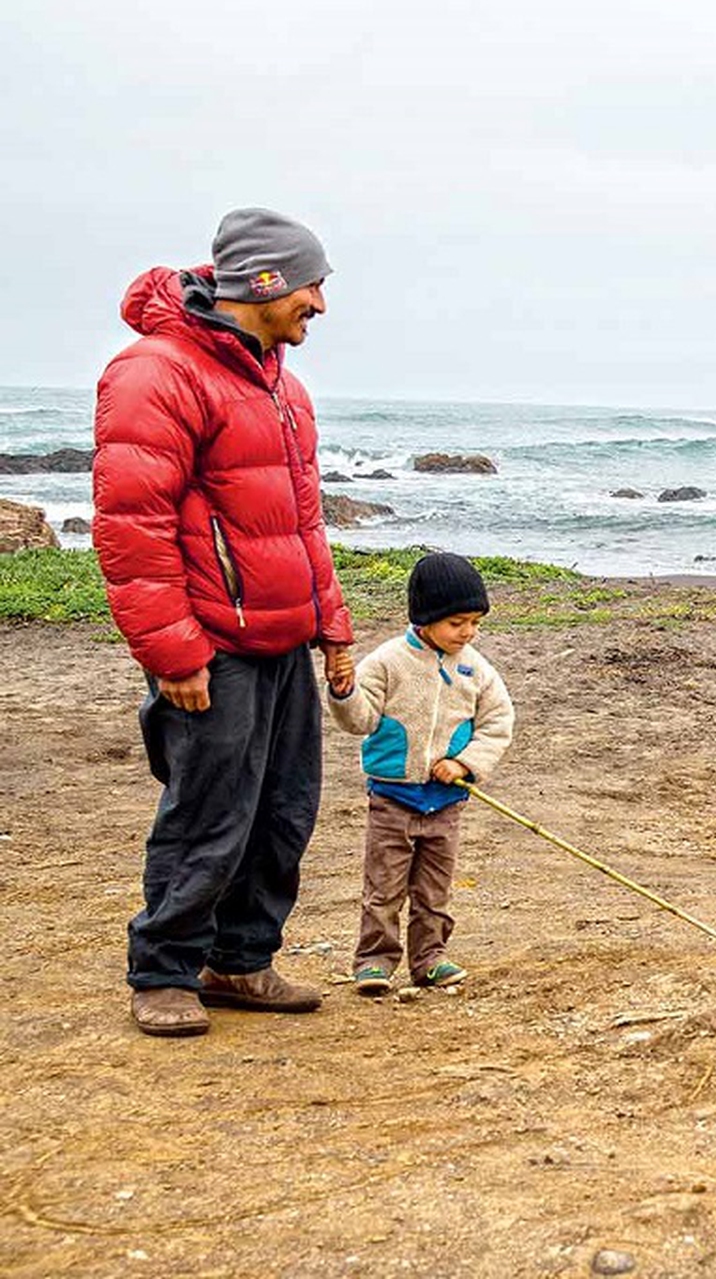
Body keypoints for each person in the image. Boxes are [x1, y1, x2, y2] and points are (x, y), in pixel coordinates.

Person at [93, 208, 356, 1037]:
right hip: (210, 642)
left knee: (285, 810)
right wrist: (173, 650)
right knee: (209, 811)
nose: (320, 302)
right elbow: (133, 530)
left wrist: (332, 623)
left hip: (282, 638)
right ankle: (164, 969)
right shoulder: (155, 373)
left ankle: (240, 960)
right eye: (311, 284)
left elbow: (302, 521)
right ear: (265, 281)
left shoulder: (282, 383)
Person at [327, 552, 515, 995]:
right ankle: (374, 961)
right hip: (392, 799)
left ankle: (429, 959)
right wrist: (344, 691)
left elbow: (498, 722)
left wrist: (465, 763)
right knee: (384, 886)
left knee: (434, 890)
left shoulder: (475, 668)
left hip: (446, 802)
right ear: (425, 618)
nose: (467, 632)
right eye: (457, 623)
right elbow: (360, 720)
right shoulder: (387, 662)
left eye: (475, 622)